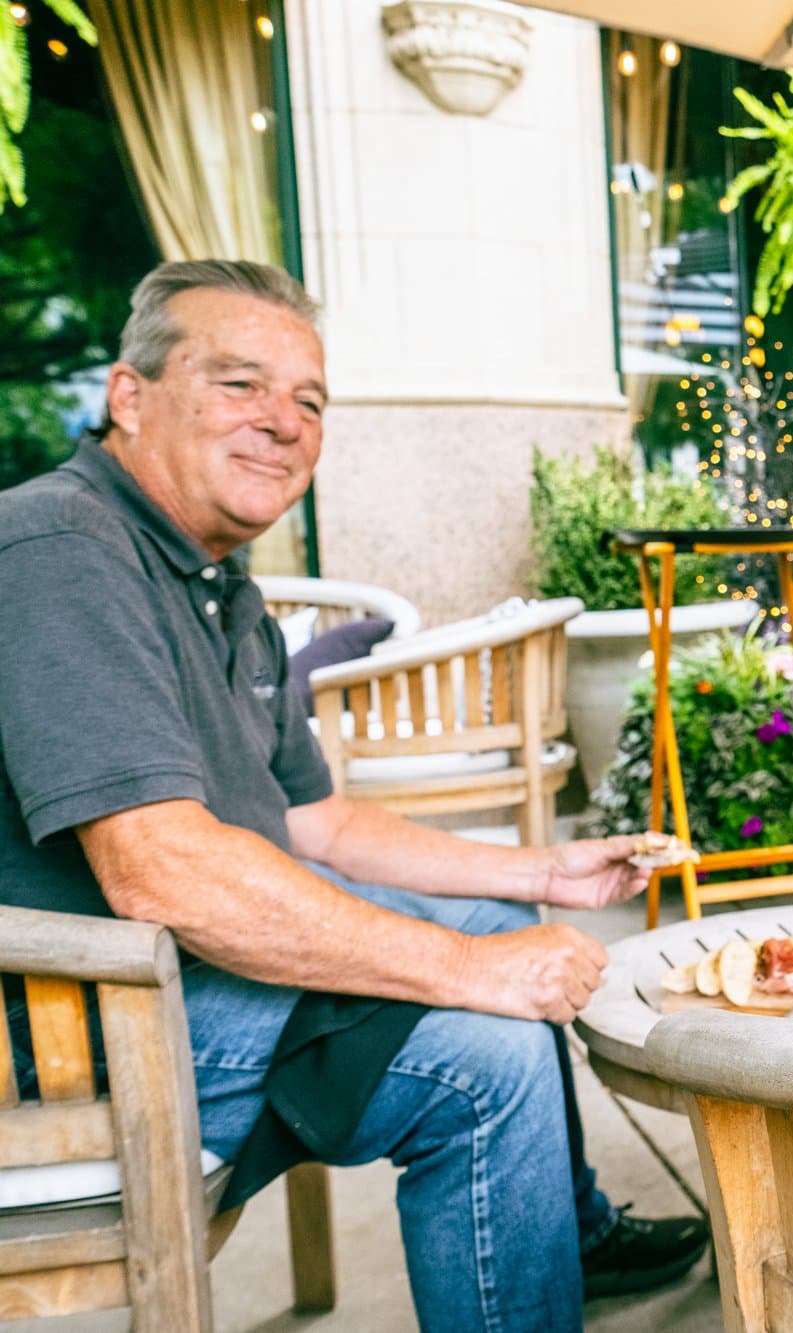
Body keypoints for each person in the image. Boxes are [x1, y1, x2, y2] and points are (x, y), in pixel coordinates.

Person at [0, 261, 709, 1329]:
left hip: (179, 980)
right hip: (77, 1032)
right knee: (492, 1052)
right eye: (239, 384)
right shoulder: (57, 550)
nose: (283, 423)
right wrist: (467, 970)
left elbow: (313, 821)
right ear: (129, 395)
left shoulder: (217, 583)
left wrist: (541, 871)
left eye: (310, 400)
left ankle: (559, 1232)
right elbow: (161, 867)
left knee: (500, 925)